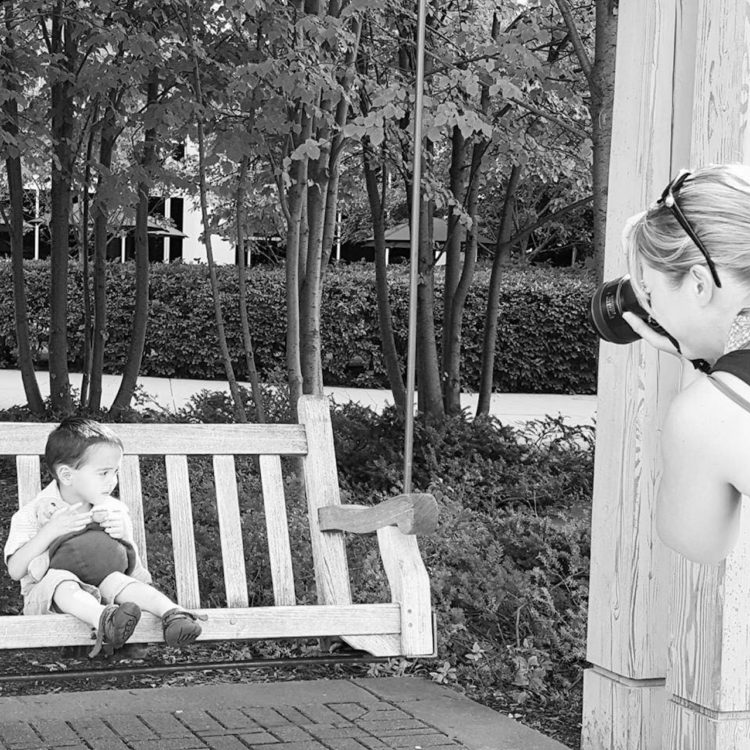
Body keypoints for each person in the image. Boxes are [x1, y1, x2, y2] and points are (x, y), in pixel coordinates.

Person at [622, 163, 750, 565]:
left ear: (698, 284)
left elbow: (698, 542)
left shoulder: (710, 414)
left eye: (650, 288)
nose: (650, 307)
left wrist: (711, 381)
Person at [4, 417, 204, 656]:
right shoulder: (32, 514)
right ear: (67, 475)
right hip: (50, 597)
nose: (112, 481)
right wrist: (50, 531)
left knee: (120, 581)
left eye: (115, 472)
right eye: (104, 473)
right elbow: (15, 570)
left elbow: (132, 567)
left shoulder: (112, 511)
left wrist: (123, 536)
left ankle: (173, 614)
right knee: (62, 581)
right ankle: (105, 620)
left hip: (105, 590)